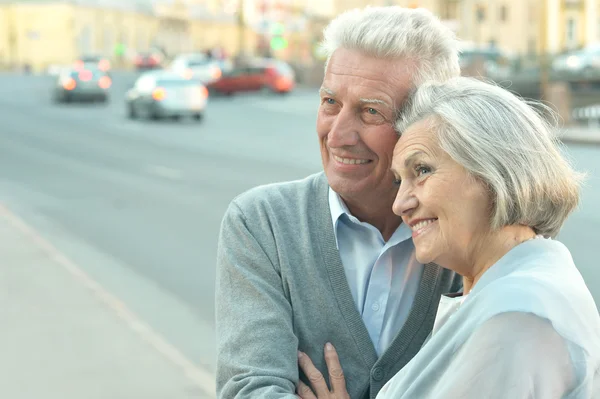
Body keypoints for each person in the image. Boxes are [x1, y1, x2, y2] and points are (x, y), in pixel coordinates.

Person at [296, 77, 600, 398]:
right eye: (400, 180)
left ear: (493, 172)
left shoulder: (517, 317)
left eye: (423, 170)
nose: (400, 204)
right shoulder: (513, 292)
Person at [215, 6, 463, 399]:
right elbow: (250, 389)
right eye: (330, 102)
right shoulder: (262, 224)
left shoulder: (467, 235)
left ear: (427, 125)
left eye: (370, 111)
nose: (338, 135)